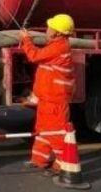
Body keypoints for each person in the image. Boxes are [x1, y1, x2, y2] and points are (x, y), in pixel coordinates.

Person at [19, 14, 75, 174]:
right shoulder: (58, 45)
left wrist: (25, 39)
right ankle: (39, 159)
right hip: (48, 99)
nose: (47, 29)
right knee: (42, 131)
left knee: (56, 134)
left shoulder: (59, 47)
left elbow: (34, 56)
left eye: (50, 27)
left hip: (55, 101)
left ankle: (62, 165)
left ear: (57, 32)